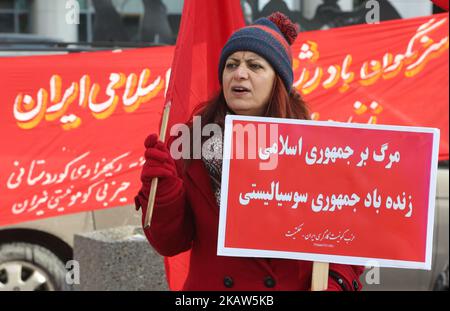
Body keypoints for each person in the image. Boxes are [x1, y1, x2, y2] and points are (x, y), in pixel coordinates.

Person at [135, 12, 364, 291]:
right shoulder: (190, 143)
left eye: (255, 66)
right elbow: (171, 242)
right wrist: (163, 190)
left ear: (277, 81)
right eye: (231, 65)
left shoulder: (316, 150)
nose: (239, 73)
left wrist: (334, 284)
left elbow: (346, 239)